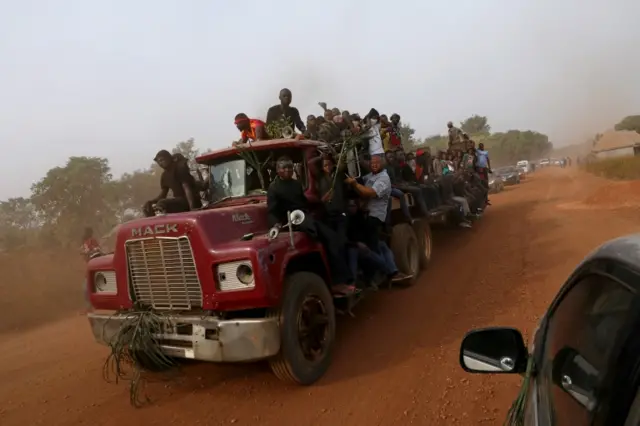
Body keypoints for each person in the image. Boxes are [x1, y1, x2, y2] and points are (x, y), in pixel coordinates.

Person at [267, 156, 355, 295]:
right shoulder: (274, 188)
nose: (288, 170)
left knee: (333, 238)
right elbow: (272, 211)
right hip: (290, 223)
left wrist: (321, 201)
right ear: (278, 170)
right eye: (284, 168)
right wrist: (276, 225)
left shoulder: (296, 184)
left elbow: (303, 203)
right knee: (325, 240)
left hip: (305, 217)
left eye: (289, 167)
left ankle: (340, 280)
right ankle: (336, 283)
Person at [345, 155, 410, 281]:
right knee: (381, 245)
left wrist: (354, 184)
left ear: (382, 164)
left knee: (370, 249)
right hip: (369, 215)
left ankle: (386, 273)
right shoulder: (371, 176)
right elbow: (361, 179)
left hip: (374, 217)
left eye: (377, 163)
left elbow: (369, 192)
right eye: (372, 163)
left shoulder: (384, 179)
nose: (374, 165)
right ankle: (393, 271)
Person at [143, 150, 202, 217]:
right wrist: (151, 202)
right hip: (179, 202)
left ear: (168, 158)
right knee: (149, 206)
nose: (160, 163)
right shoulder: (164, 175)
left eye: (162, 160)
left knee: (162, 203)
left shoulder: (179, 168)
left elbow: (186, 188)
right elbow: (163, 195)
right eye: (158, 162)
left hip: (190, 200)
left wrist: (192, 208)